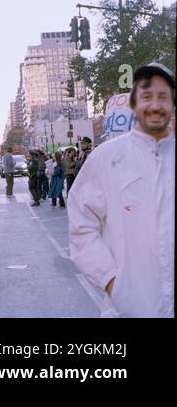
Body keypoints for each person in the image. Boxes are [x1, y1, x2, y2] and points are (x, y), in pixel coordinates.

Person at [69, 62, 174, 317]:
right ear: (134, 104)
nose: (155, 104)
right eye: (146, 96)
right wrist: (112, 281)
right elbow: (81, 227)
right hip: (127, 311)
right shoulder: (106, 158)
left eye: (163, 96)